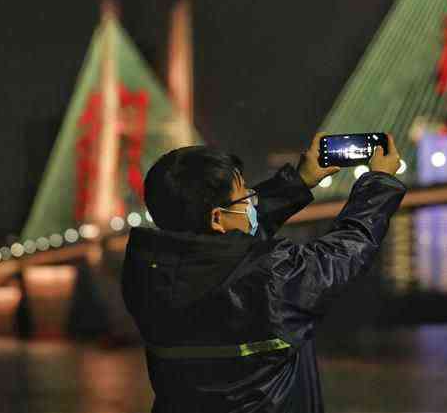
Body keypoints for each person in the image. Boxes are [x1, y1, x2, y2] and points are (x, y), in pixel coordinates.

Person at [121, 131, 406, 413]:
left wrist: (298, 183)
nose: (251, 199)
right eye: (244, 194)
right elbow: (341, 255)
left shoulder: (145, 277)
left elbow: (217, 247)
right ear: (217, 218)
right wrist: (379, 183)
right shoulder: (270, 280)